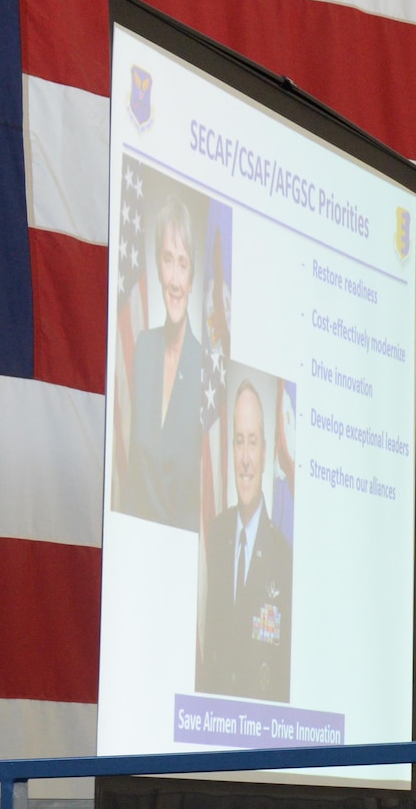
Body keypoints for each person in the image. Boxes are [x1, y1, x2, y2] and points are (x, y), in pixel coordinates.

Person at [200, 381, 294, 702]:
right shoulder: (217, 533)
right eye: (239, 441)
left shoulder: (284, 557)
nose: (245, 460)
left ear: (265, 452)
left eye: (252, 442)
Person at [125, 196, 204, 529]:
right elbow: (133, 473)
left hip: (177, 561)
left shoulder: (205, 369)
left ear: (191, 277)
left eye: (182, 264)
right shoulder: (143, 347)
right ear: (157, 266)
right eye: (168, 260)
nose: (174, 279)